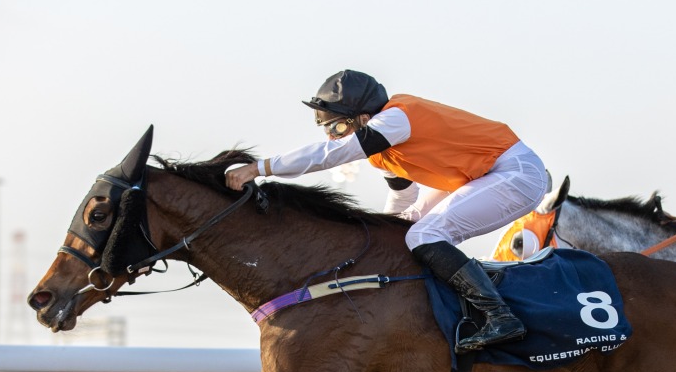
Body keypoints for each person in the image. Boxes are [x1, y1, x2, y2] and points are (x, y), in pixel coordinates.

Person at [226, 70, 547, 353]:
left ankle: (500, 316)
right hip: (489, 174)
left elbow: (331, 155)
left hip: (514, 172)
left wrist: (259, 168)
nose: (331, 137)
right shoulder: (384, 149)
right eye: (327, 131)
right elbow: (403, 199)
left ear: (363, 118)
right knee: (406, 229)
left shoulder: (395, 119)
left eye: (336, 128)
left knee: (425, 235)